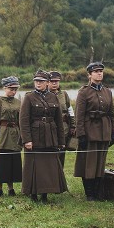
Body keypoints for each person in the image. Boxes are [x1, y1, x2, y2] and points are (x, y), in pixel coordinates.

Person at [19, 69, 68, 202]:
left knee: (48, 166)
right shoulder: (29, 97)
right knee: (34, 166)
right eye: (36, 81)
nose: (38, 83)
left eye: (41, 81)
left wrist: (61, 141)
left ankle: (45, 194)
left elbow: (58, 120)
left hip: (50, 136)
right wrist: (27, 140)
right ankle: (33, 194)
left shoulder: (53, 97)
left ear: (47, 82)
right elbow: (23, 121)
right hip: (35, 137)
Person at [74, 61, 114, 201]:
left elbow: (112, 114)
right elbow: (79, 115)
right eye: (96, 71)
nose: (99, 73)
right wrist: (81, 134)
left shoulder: (107, 92)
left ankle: (98, 192)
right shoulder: (84, 92)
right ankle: (90, 194)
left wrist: (113, 132)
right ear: (89, 75)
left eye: (101, 71)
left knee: (100, 163)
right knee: (89, 164)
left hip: (104, 131)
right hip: (89, 131)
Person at [0, 76, 22, 197]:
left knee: (13, 162)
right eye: (11, 89)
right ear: (5, 88)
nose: (14, 91)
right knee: (1, 163)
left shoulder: (18, 102)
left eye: (15, 89)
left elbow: (21, 120)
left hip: (15, 135)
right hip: (2, 135)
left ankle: (11, 189)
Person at [49, 71, 75, 168]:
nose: (54, 83)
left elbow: (70, 110)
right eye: (52, 81)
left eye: (56, 81)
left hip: (64, 128)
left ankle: (60, 179)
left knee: (61, 153)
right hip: (51, 127)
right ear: (48, 82)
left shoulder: (64, 94)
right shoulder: (45, 95)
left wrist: (73, 126)